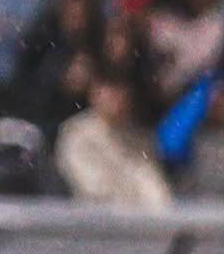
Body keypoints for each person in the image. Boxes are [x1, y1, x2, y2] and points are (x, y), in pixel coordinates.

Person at [55, 73, 173, 208]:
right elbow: (91, 188)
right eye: (108, 88)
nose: (115, 96)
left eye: (121, 89)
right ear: (94, 93)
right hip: (95, 215)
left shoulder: (140, 138)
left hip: (140, 216)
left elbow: (155, 188)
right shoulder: (75, 134)